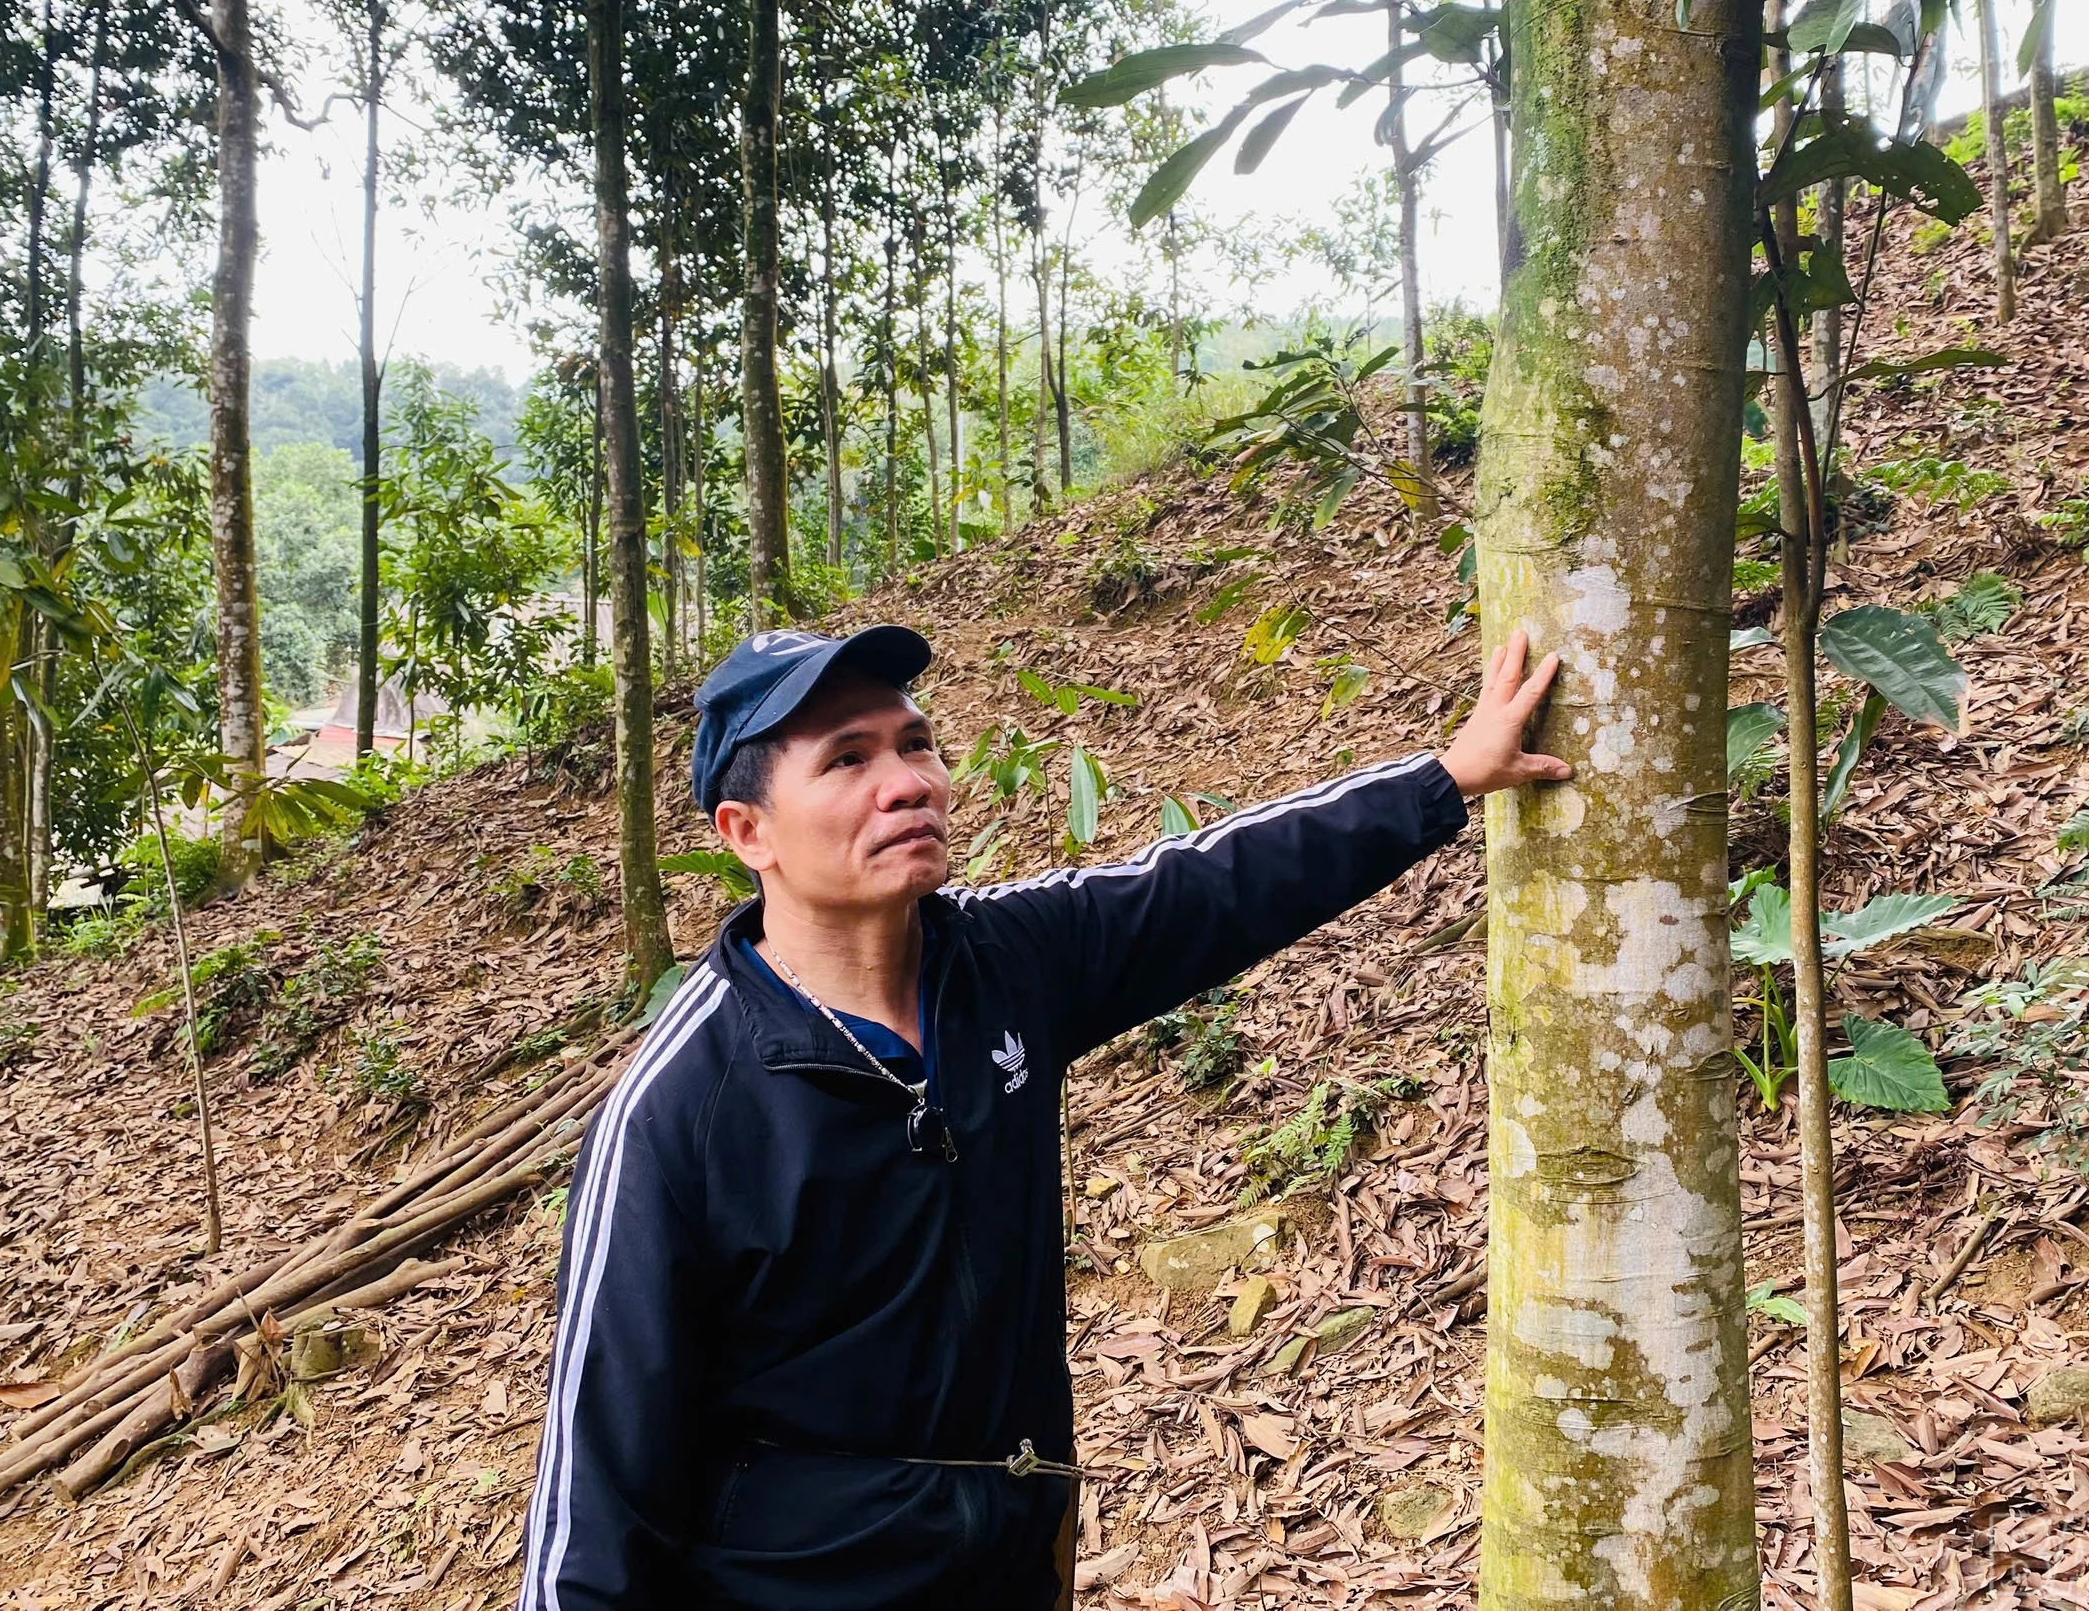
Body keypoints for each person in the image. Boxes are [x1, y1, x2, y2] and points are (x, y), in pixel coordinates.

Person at [516, 620, 1569, 1611]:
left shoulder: (1004, 963)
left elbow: (1219, 884)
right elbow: (599, 1482)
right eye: (847, 760)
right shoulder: (680, 1111)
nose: (907, 785)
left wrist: (1444, 781)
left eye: (916, 745)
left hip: (1004, 1559)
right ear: (748, 832)